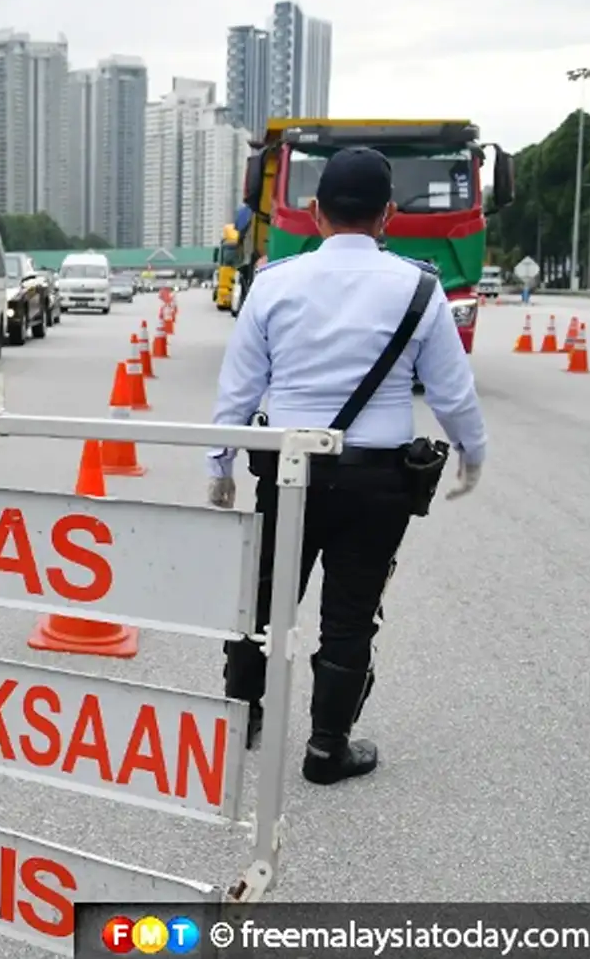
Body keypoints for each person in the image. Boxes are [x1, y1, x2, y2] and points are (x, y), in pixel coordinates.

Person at [206, 147, 487, 787]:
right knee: (352, 613)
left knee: (261, 602)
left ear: (314, 211)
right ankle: (327, 750)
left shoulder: (273, 283)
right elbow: (452, 393)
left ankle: (239, 720)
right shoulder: (419, 286)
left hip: (288, 471)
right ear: (388, 214)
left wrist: (219, 462)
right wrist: (474, 452)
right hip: (379, 480)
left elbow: (238, 392)